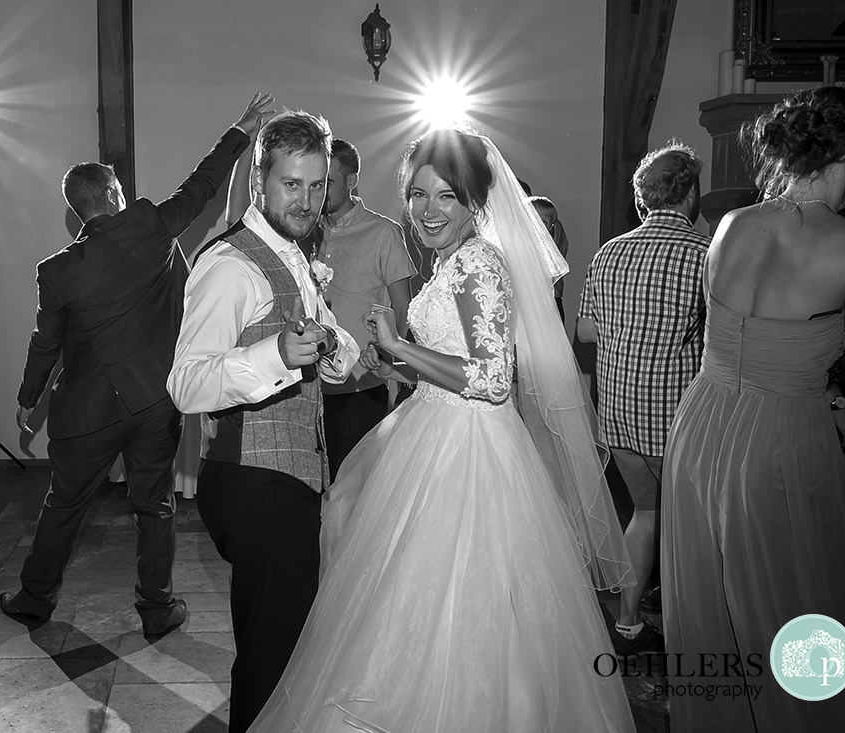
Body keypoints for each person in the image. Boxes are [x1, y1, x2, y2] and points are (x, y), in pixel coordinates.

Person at [245, 128, 635, 733]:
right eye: (418, 195)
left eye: (446, 197)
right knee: (408, 599)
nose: (428, 211)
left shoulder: (479, 263)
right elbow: (456, 357)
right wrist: (392, 358)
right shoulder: (453, 259)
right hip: (435, 428)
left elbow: (492, 377)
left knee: (458, 604)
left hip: (469, 452)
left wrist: (400, 343)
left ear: (474, 201)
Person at [0, 94, 274, 638]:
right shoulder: (149, 225)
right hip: (154, 402)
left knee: (63, 507)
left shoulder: (56, 270)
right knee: (155, 506)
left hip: (87, 413)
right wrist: (239, 131)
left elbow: (45, 344)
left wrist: (29, 398)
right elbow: (202, 187)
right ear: (113, 195)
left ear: (77, 211)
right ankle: (156, 609)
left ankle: (35, 600)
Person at [661, 86, 845, 731]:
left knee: (716, 607)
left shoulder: (732, 224)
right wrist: (838, 397)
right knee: (803, 601)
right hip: (779, 437)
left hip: (700, 427)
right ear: (844, 154)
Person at [166, 110, 360, 733]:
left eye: (316, 184)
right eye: (290, 185)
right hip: (252, 481)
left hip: (292, 478)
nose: (306, 201)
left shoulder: (295, 253)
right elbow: (186, 383)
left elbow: (326, 332)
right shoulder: (230, 266)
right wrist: (274, 356)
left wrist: (334, 355)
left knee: (278, 641)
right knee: (273, 659)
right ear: (259, 182)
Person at [576, 144, 707, 655]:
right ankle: (689, 635)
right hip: (676, 417)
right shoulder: (704, 255)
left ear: (641, 199)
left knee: (645, 513)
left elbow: (586, 331)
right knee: (689, 531)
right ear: (691, 193)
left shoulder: (610, 252)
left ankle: (628, 623)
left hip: (621, 414)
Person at [309, 139, 416, 478]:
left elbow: (403, 308)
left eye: (327, 182)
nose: (319, 191)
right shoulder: (306, 233)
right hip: (307, 386)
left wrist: (386, 355)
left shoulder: (384, 233)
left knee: (353, 489)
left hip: (359, 385)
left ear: (351, 181)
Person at [529, 195, 570, 320]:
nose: (538, 226)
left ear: (551, 227)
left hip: (548, 302)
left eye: (544, 222)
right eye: (533, 220)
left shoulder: (553, 246)